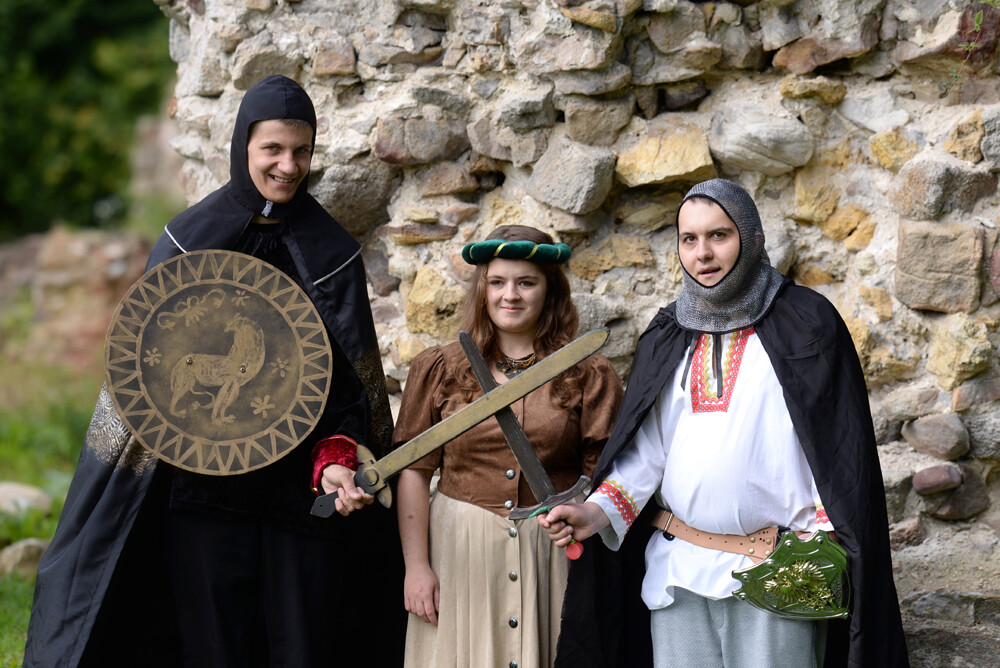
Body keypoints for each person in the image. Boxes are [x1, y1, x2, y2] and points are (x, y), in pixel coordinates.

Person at [24, 75, 405, 668]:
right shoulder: (187, 240)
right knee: (213, 649)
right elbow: (144, 376)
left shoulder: (332, 253)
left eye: (301, 151)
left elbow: (351, 390)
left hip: (299, 498)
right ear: (242, 145)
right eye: (272, 149)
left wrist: (334, 458)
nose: (288, 166)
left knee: (299, 648)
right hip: (204, 494)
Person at [539, 178, 909, 667]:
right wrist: (594, 513)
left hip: (780, 570)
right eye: (689, 239)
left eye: (719, 235)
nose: (703, 253)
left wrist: (822, 542)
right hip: (679, 570)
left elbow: (839, 448)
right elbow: (647, 453)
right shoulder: (669, 332)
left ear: (752, 239)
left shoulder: (807, 322)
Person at [393, 225, 624, 668]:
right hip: (460, 550)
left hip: (549, 551)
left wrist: (580, 513)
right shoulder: (440, 368)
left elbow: (606, 475)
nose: (510, 295)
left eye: (526, 283)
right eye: (497, 282)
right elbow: (414, 472)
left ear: (549, 290)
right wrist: (416, 567)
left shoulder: (587, 372)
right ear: (482, 289)